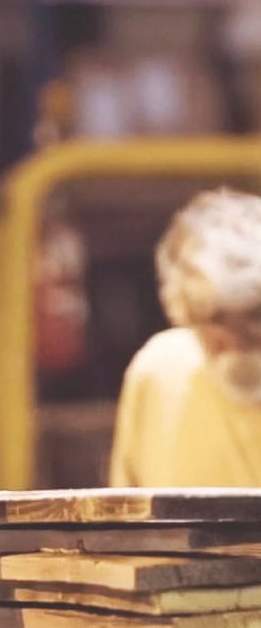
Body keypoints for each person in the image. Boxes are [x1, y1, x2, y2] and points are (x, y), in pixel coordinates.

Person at [109, 187, 261, 487]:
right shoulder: (159, 372)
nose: (235, 340)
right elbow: (125, 520)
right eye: (215, 319)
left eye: (255, 314)